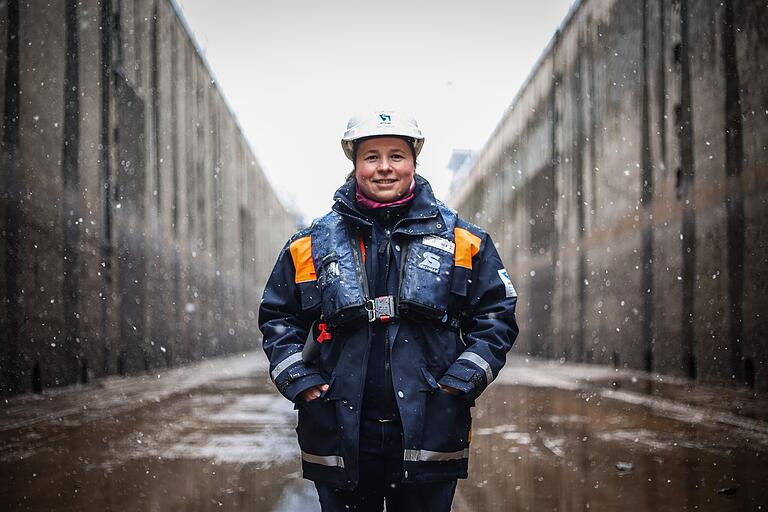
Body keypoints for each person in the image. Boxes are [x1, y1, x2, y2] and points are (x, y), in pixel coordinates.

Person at [259, 110, 518, 511]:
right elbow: (278, 318)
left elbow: (496, 318)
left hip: (430, 424)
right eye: (371, 156)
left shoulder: (464, 240)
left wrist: (457, 385)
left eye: (396, 156)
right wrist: (301, 381)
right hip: (338, 427)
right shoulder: (308, 244)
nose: (384, 168)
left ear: (414, 160)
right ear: (355, 164)